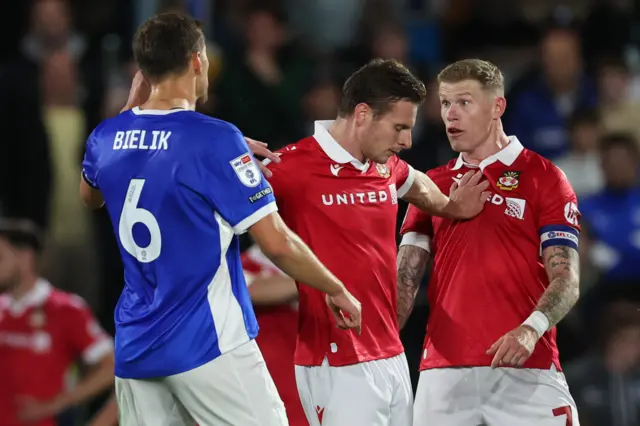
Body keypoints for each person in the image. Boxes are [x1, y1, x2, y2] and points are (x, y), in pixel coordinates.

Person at [78, 13, 362, 426]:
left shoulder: (106, 136)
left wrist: (126, 113)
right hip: (206, 340)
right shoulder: (213, 138)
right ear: (197, 61)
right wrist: (334, 287)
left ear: (143, 71)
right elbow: (277, 241)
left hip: (136, 345)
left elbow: (91, 196)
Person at [264, 58, 490, 426]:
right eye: (399, 127)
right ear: (363, 114)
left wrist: (451, 208)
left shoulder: (384, 166)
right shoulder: (288, 167)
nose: (407, 141)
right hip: (335, 359)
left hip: (390, 353)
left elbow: (416, 184)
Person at [397, 59, 582, 426]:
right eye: (446, 103)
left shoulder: (543, 176)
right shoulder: (430, 185)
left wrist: (531, 328)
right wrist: (377, 347)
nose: (451, 114)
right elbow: (404, 279)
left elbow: (567, 278)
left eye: (464, 102)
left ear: (497, 106)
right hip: (443, 376)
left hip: (527, 367)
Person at [0, 218, 114, 426]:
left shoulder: (66, 309)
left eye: (0, 258)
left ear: (26, 259)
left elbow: (111, 367)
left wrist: (59, 403)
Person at [242, 244, 308, 426]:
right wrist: (319, 282)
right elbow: (252, 290)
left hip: (301, 389)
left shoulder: (312, 264)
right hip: (257, 387)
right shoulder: (240, 263)